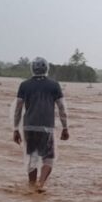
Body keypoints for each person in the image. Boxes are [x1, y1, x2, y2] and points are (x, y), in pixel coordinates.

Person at [12, 57, 69, 190]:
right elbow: (62, 108)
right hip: (47, 128)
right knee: (48, 158)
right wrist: (65, 127)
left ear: (32, 69)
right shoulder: (54, 85)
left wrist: (15, 129)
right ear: (47, 69)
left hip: (28, 127)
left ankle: (31, 186)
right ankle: (41, 184)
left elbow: (18, 109)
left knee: (32, 157)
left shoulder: (24, 85)